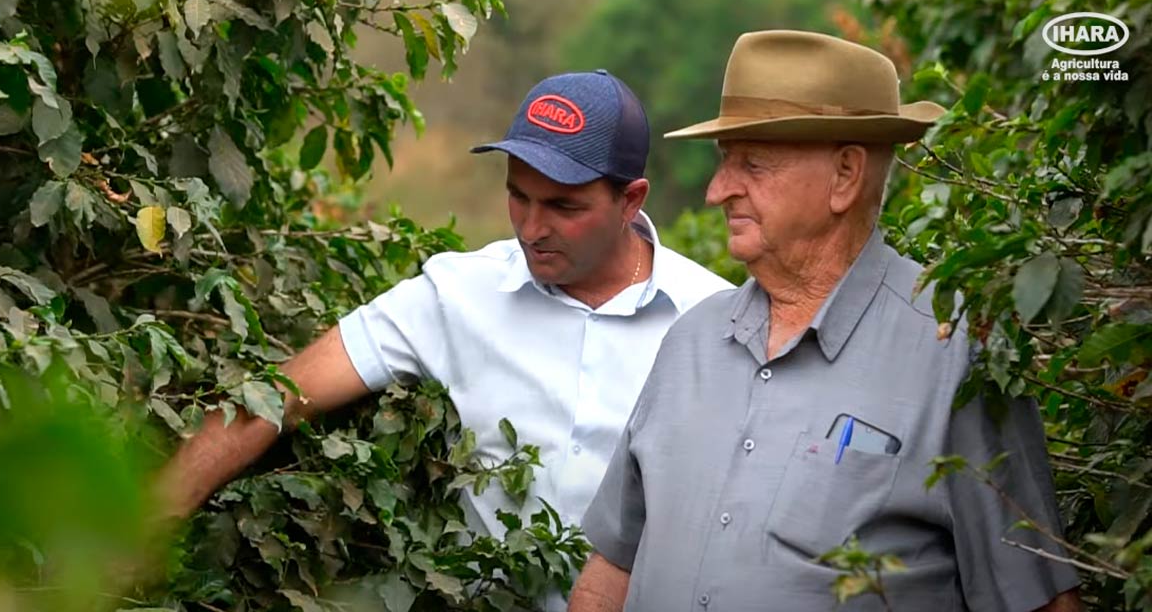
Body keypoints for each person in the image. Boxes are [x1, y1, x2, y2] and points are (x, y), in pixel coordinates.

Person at [156, 70, 733, 609]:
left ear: (631, 199)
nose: (532, 228)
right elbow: (276, 396)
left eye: (564, 206)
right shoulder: (457, 294)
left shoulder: (714, 318)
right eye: (519, 197)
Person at [569, 31, 1082, 612]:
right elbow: (611, 566)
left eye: (752, 165)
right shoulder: (690, 341)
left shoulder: (954, 347)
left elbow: (1037, 600)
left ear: (845, 175)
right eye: (723, 163)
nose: (717, 191)